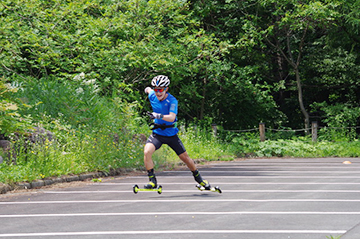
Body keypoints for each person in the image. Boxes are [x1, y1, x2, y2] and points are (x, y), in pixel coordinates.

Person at [143, 75, 211, 190]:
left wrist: (158, 116)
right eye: (156, 89)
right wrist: (148, 89)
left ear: (166, 89)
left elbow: (171, 117)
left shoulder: (172, 101)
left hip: (171, 134)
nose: (158, 92)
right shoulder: (153, 95)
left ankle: (200, 179)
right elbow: (148, 89)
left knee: (185, 158)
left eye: (161, 90)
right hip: (157, 134)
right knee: (147, 151)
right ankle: (152, 181)